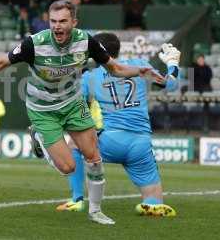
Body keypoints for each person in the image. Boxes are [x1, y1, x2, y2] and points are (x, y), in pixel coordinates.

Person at [0, 0, 164, 225]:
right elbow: (1, 62)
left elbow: (116, 68)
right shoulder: (35, 43)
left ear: (74, 22)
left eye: (62, 21)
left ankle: (95, 211)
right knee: (68, 167)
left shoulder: (86, 42)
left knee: (94, 158)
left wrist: (139, 71)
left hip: (72, 104)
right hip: (44, 110)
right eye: (53, 21)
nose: (57, 26)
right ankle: (40, 139)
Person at [33, 33, 179, 216]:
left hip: (111, 141)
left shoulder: (90, 77)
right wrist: (173, 63)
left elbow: (72, 107)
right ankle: (152, 204)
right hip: (141, 143)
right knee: (153, 198)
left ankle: (77, 200)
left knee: (74, 146)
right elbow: (171, 86)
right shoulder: (141, 65)